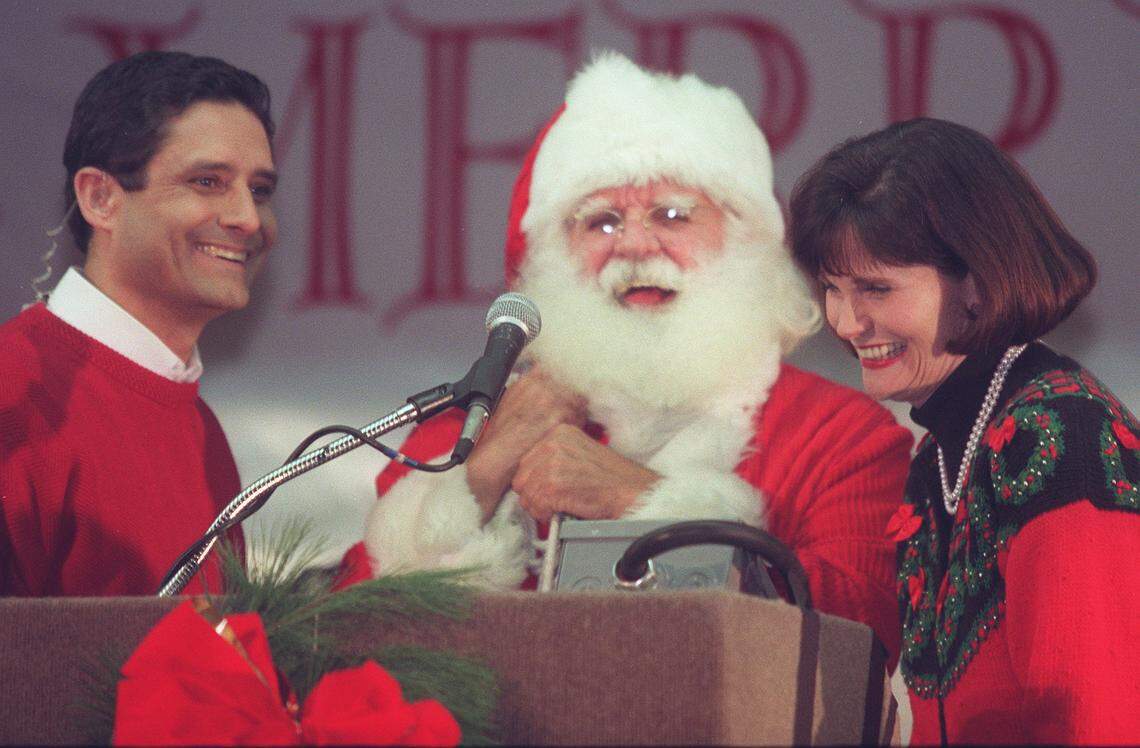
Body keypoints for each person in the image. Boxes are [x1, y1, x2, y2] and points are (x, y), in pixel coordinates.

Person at [340, 52, 913, 661]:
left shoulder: (843, 436)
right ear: (551, 258)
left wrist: (643, 504)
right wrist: (487, 467)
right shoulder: (466, 431)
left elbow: (864, 630)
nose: (636, 244)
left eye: (673, 215)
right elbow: (351, 631)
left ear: (746, 241)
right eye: (602, 222)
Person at [787, 117, 1140, 744]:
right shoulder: (938, 459)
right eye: (832, 289)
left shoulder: (1065, 437)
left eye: (876, 289)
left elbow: (1097, 722)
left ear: (977, 284)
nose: (845, 322)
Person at [0, 51, 279, 596]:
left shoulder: (202, 429)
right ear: (100, 198)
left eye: (261, 190)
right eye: (207, 181)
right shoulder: (14, 392)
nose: (248, 218)